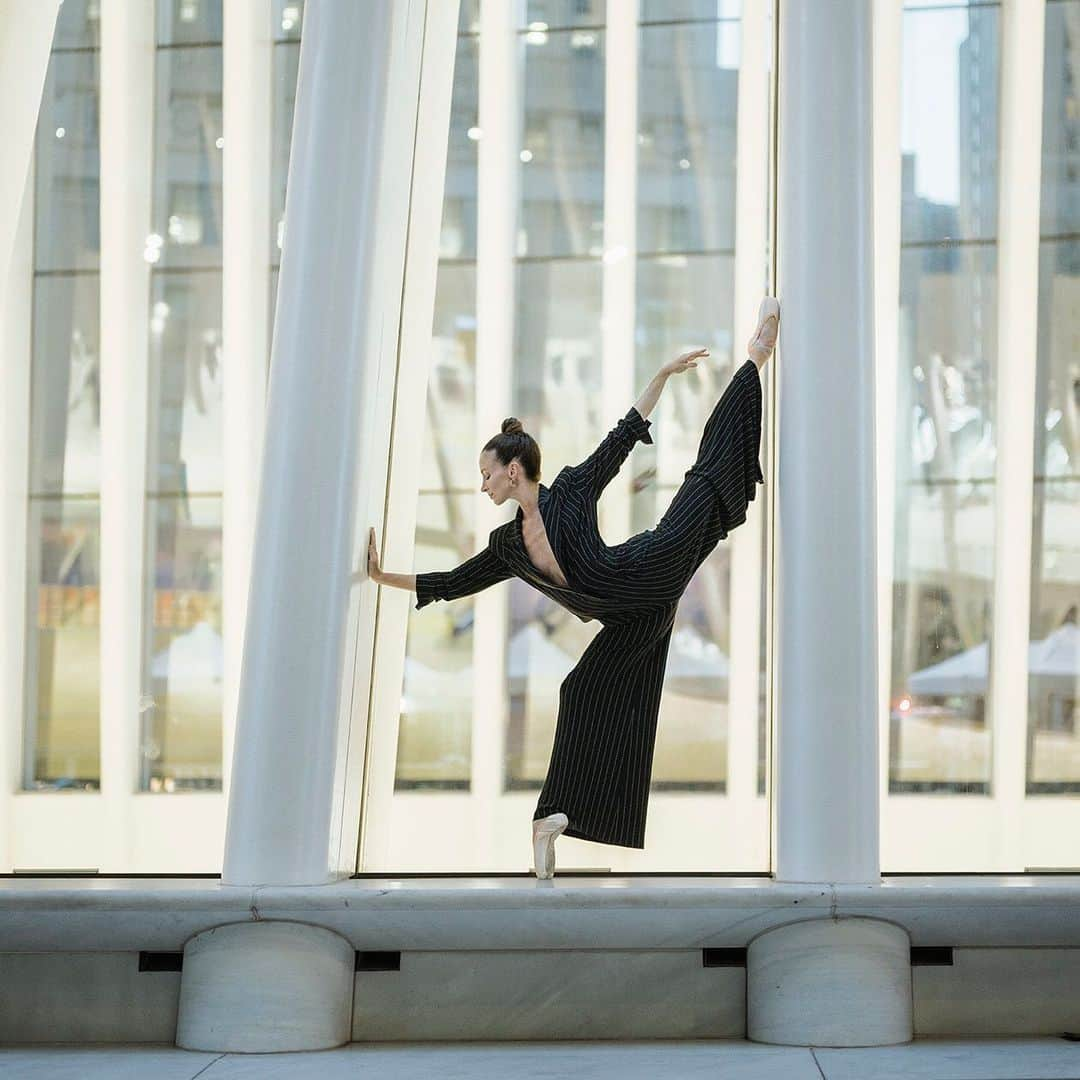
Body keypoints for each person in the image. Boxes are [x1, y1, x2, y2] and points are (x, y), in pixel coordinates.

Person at [369, 297, 780, 879]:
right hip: (636, 619)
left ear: (514, 470)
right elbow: (454, 582)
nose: (482, 484)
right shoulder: (508, 547)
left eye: (486, 473)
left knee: (706, 478)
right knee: (579, 691)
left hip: (650, 566)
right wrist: (385, 575)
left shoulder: (569, 490)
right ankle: (554, 819)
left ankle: (754, 360)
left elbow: (622, 436)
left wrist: (660, 375)